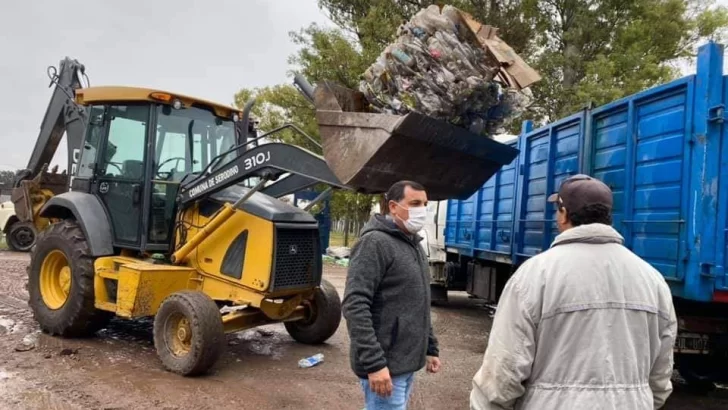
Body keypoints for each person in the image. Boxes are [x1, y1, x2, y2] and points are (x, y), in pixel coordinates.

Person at [469, 174, 677, 410]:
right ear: (607, 217)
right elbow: (660, 375)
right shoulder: (651, 279)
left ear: (564, 213)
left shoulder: (535, 275)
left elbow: (505, 368)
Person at [342, 180, 441, 409]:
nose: (422, 210)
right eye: (415, 203)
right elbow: (355, 304)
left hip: (404, 364)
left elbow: (420, 302)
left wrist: (430, 347)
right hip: (384, 365)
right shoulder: (374, 243)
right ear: (393, 207)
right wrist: (375, 364)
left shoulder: (413, 245)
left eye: (425, 204)